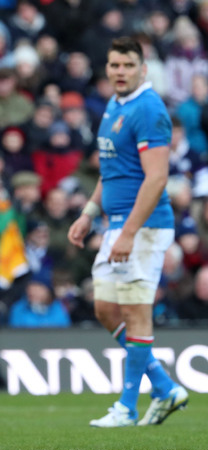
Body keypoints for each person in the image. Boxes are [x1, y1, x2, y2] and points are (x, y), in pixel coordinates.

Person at [67, 37, 189, 428]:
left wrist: (129, 233)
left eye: (128, 65)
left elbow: (156, 179)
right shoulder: (115, 106)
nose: (120, 71)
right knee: (104, 308)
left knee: (137, 313)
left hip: (145, 228)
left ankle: (127, 406)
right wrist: (89, 212)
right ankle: (165, 386)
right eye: (114, 64)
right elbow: (111, 171)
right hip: (115, 223)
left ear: (143, 69)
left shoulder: (150, 109)